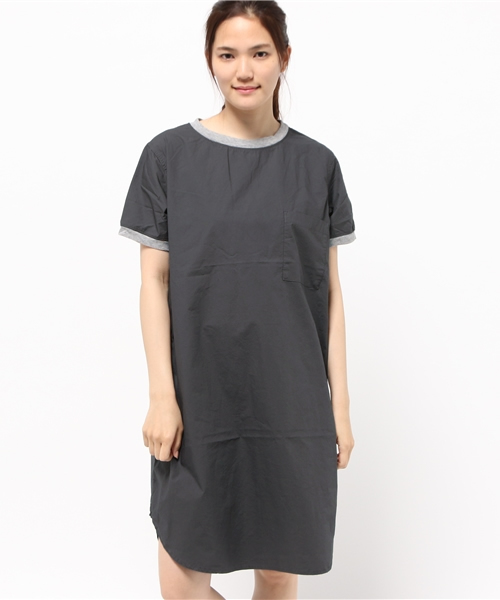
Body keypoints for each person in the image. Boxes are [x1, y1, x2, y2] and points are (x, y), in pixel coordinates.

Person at [118, 1, 356, 598]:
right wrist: (162, 397)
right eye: (228, 55)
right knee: (181, 573)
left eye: (259, 53)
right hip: (200, 396)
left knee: (277, 567)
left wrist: (341, 408)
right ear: (210, 61)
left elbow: (329, 293)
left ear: (284, 58)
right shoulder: (167, 157)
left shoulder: (317, 165)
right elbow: (154, 282)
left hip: (292, 400)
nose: (243, 70)